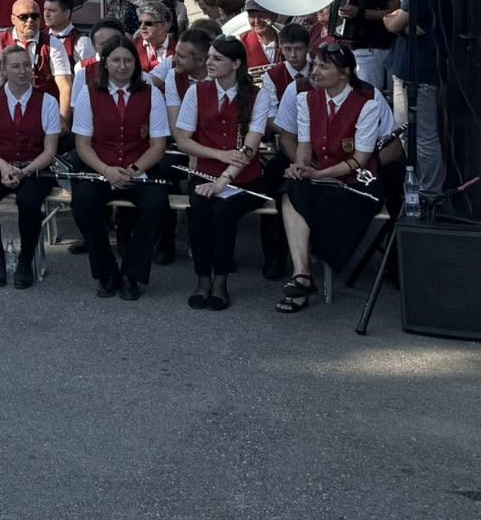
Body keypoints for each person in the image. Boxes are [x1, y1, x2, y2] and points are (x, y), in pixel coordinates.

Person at [274, 44, 393, 313]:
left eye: (323, 66)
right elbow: (305, 146)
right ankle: (301, 275)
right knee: (292, 187)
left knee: (304, 193)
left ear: (344, 73)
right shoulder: (306, 100)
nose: (314, 71)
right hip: (322, 178)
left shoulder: (368, 105)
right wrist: (300, 167)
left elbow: (359, 160)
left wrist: (318, 174)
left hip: (358, 183)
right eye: (314, 65)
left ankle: (303, 280)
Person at [69, 37, 172, 300]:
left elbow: (158, 145)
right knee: (83, 201)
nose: (122, 66)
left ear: (136, 64)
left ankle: (132, 273)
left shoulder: (152, 93)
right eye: (116, 60)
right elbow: (82, 145)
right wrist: (107, 171)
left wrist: (134, 170)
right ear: (105, 64)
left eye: (128, 60)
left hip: (140, 168)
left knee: (157, 204)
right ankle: (106, 271)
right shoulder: (89, 93)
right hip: (101, 167)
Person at [175, 33, 262, 311]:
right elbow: (183, 139)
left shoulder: (257, 95)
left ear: (236, 64)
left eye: (217, 58)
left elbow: (250, 146)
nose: (209, 62)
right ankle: (203, 280)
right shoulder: (196, 92)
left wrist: (224, 180)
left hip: (244, 177)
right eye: (209, 57)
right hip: (205, 172)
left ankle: (221, 282)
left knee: (223, 212)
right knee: (199, 209)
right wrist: (218, 155)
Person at [0, 44, 62, 288]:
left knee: (29, 203)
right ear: (5, 70)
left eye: (27, 65)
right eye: (16, 66)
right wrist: (3, 167)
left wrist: (25, 171)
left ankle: (25, 261)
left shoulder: (48, 102)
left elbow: (50, 151)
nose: (22, 71)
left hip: (34, 167)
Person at [385, 0, 451, 206]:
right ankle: (415, 188)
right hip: (407, 70)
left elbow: (393, 23)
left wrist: (392, 20)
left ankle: (430, 193)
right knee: (406, 134)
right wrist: (398, 21)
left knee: (424, 136)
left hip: (419, 74)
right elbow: (397, 19)